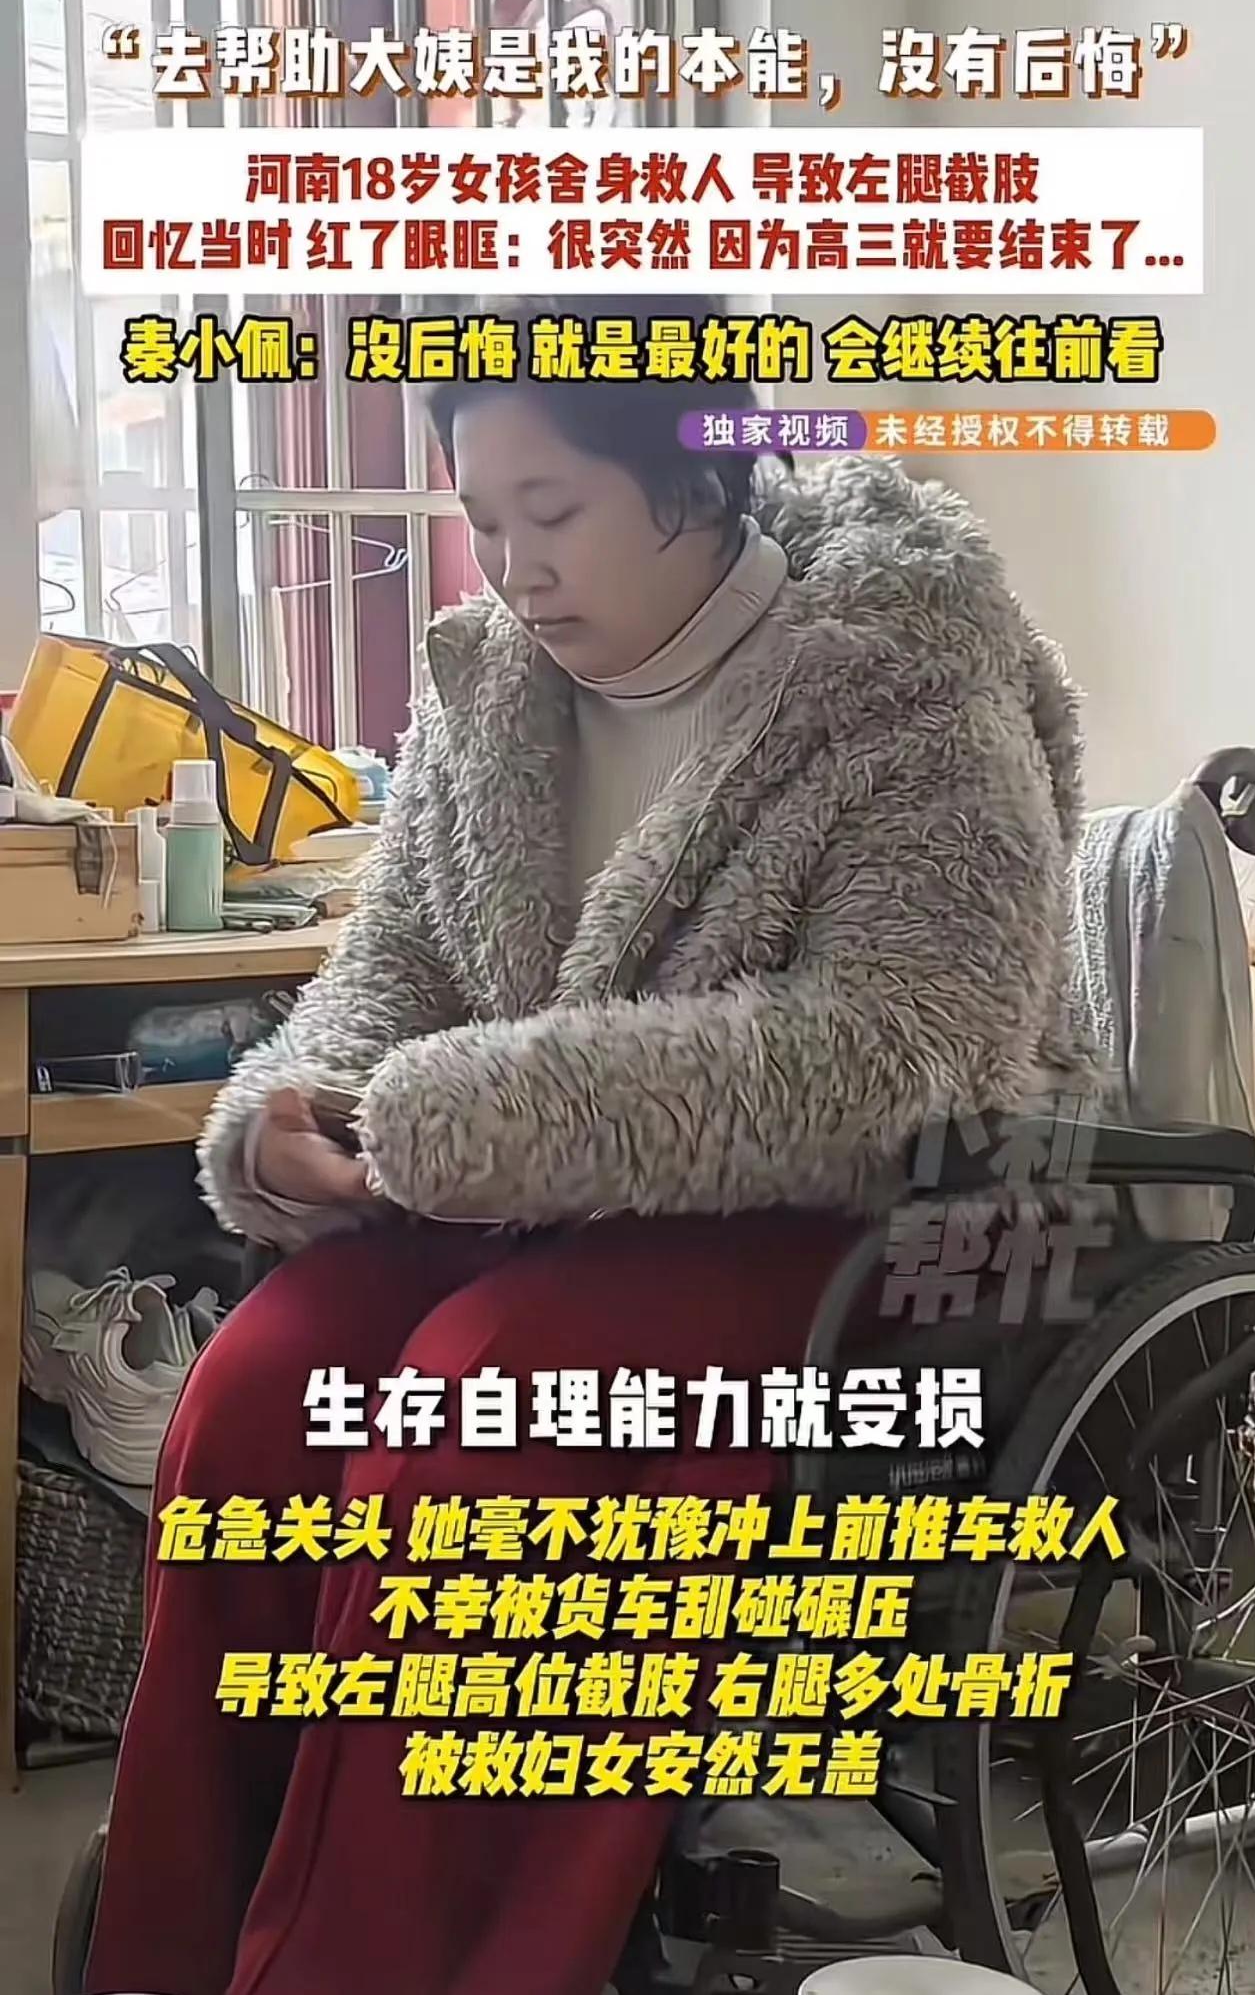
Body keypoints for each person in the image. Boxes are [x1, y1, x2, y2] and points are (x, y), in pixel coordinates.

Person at [86, 296, 1086, 1995]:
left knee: (483, 1407)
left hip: (856, 1229)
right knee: (257, 1388)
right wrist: (302, 1103)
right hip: (544, 1210)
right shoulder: (492, 692)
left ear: (693, 479)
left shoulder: (906, 683)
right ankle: (175, 1945)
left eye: (551, 512)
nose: (513, 568)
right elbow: (398, 965)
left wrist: (491, 1111)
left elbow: (899, 1047)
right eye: (484, 520)